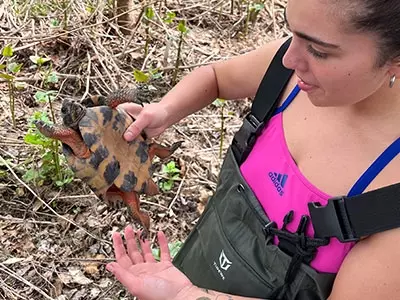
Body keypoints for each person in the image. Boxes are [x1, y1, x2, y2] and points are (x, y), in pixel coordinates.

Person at [82, 0, 400, 298]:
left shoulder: (390, 199)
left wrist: (186, 296)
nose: (289, 58)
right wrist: (164, 112)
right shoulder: (290, 73)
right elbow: (218, 77)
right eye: (291, 31)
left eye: (318, 50)